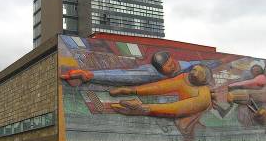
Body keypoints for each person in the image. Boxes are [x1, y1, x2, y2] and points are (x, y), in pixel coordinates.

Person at [61, 51, 219, 86]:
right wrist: (90, 75)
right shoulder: (151, 72)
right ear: (160, 69)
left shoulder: (189, 66)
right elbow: (124, 75)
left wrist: (223, 61)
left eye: (172, 62)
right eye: (168, 66)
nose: (173, 65)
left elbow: (212, 63)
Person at [109, 64, 213, 119]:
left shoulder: (204, 95)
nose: (194, 73)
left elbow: (178, 108)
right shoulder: (185, 78)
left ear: (205, 78)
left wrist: (145, 108)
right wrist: (132, 90)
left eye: (199, 72)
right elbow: (161, 86)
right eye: (194, 70)